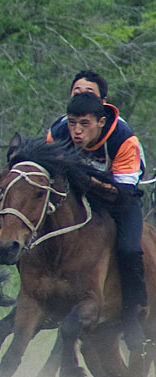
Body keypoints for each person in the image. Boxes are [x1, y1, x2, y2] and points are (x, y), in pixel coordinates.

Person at [49, 92, 148, 352]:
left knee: (129, 249)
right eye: (72, 123)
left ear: (100, 122)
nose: (76, 131)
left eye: (84, 124)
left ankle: (131, 314)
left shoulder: (124, 139)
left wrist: (88, 180)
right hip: (78, 199)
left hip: (120, 203)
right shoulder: (58, 132)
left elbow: (124, 191)